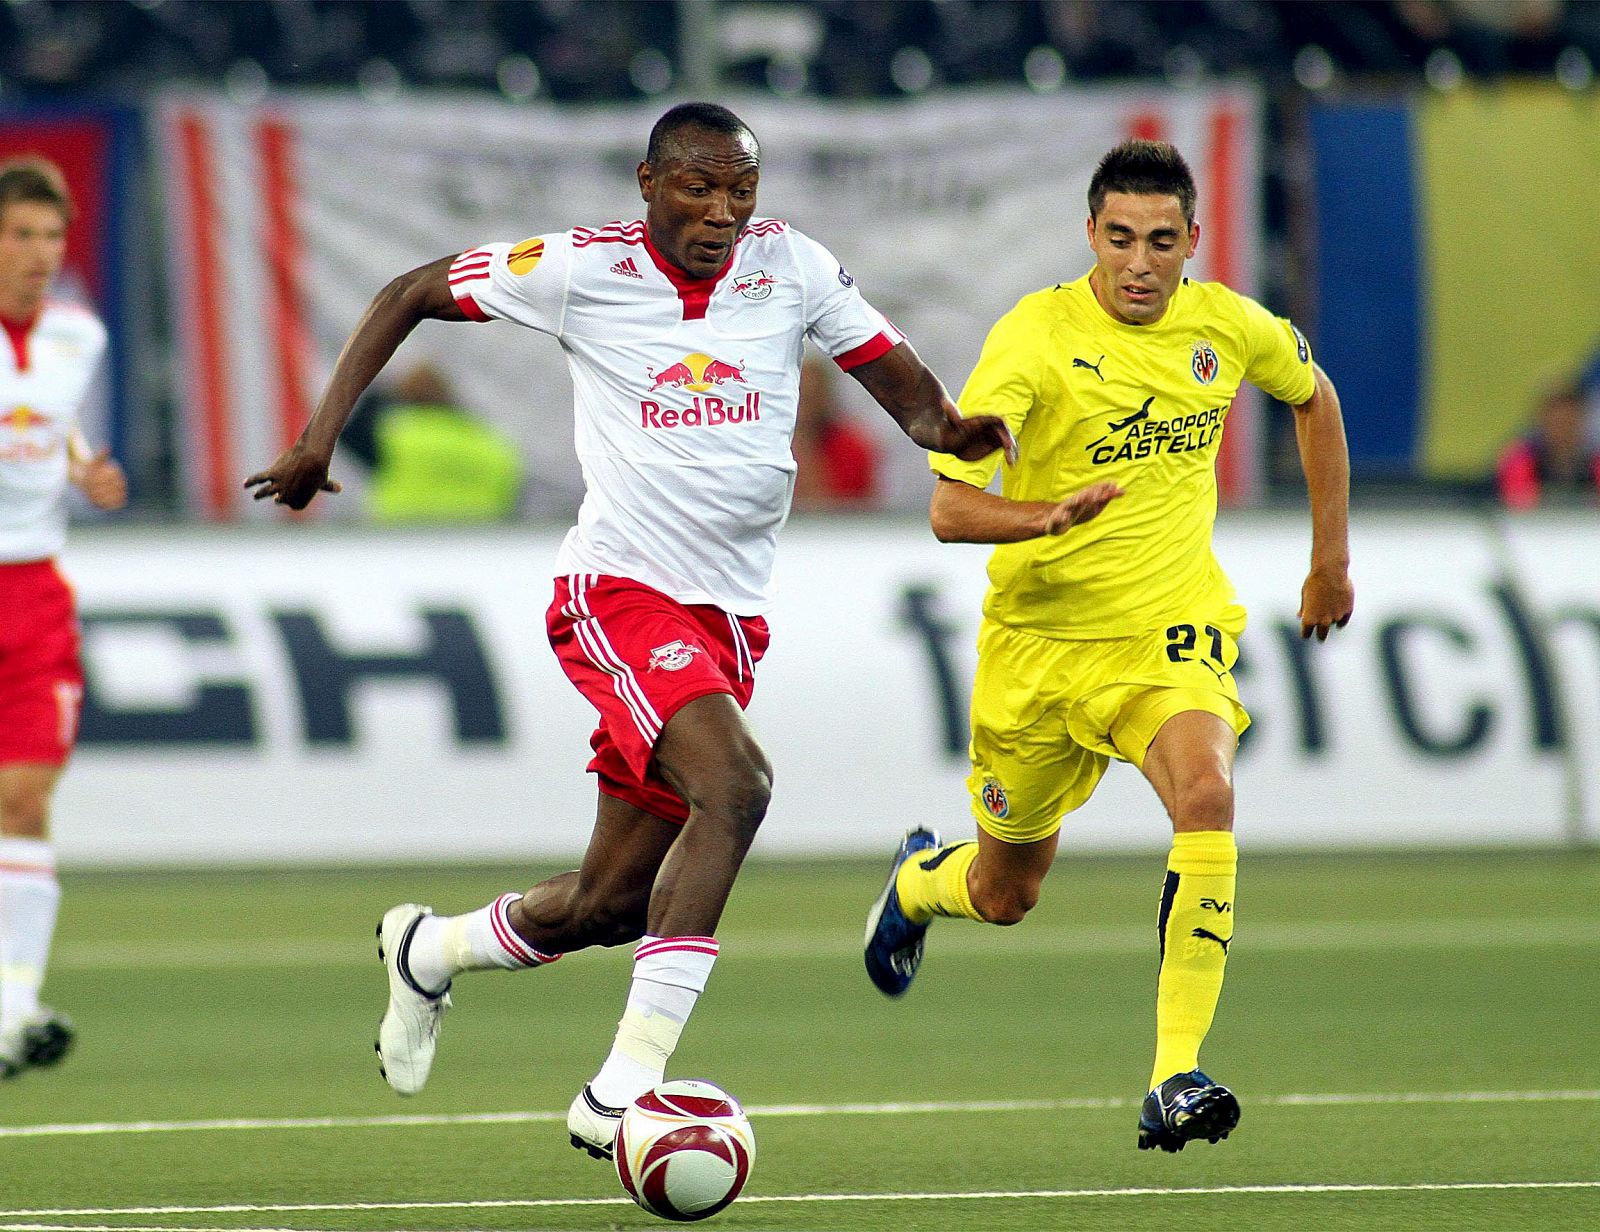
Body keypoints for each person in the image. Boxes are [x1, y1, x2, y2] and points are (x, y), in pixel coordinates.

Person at [244, 102, 1014, 1159]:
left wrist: (948, 428)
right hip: (618, 593)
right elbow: (407, 290)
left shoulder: (788, 263)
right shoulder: (576, 268)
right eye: (697, 186)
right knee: (736, 787)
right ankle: (620, 1090)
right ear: (647, 182)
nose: (721, 210)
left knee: (611, 904)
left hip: (728, 616)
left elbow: (898, 381)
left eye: (739, 189)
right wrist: (313, 437)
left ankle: (432, 946)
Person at [863, 140, 1354, 1154]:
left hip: (1165, 637)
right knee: (1006, 893)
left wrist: (1328, 563)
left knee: (1207, 795)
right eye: (1120, 238)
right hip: (1038, 649)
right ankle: (918, 881)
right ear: (1089, 233)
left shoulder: (1225, 325)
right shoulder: (1035, 338)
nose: (1139, 262)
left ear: (1193, 242)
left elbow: (1313, 397)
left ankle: (1173, 1071)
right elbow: (951, 509)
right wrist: (1042, 516)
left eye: (1161, 241)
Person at [0, 156, 127, 1078]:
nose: (40, 254)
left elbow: (56, 427)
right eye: (21, 235)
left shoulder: (80, 335)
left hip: (37, 592)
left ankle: (14, 1007)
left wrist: (86, 471)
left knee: (26, 797)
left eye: (52, 236)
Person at [341, 362, 525, 524]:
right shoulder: (493, 445)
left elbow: (346, 435)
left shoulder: (393, 437)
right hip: (478, 544)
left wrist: (383, 391)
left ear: (403, 399)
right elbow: (512, 498)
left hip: (402, 539)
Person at [791, 353, 881, 510]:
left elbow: (860, 510)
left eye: (812, 395)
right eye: (800, 394)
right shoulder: (758, 445)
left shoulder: (851, 448)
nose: (804, 405)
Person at [1495, 383, 1600, 509]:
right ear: (1542, 419)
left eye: (1568, 421)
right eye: (1557, 422)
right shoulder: (1520, 459)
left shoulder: (1594, 461)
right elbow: (1517, 504)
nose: (1562, 429)